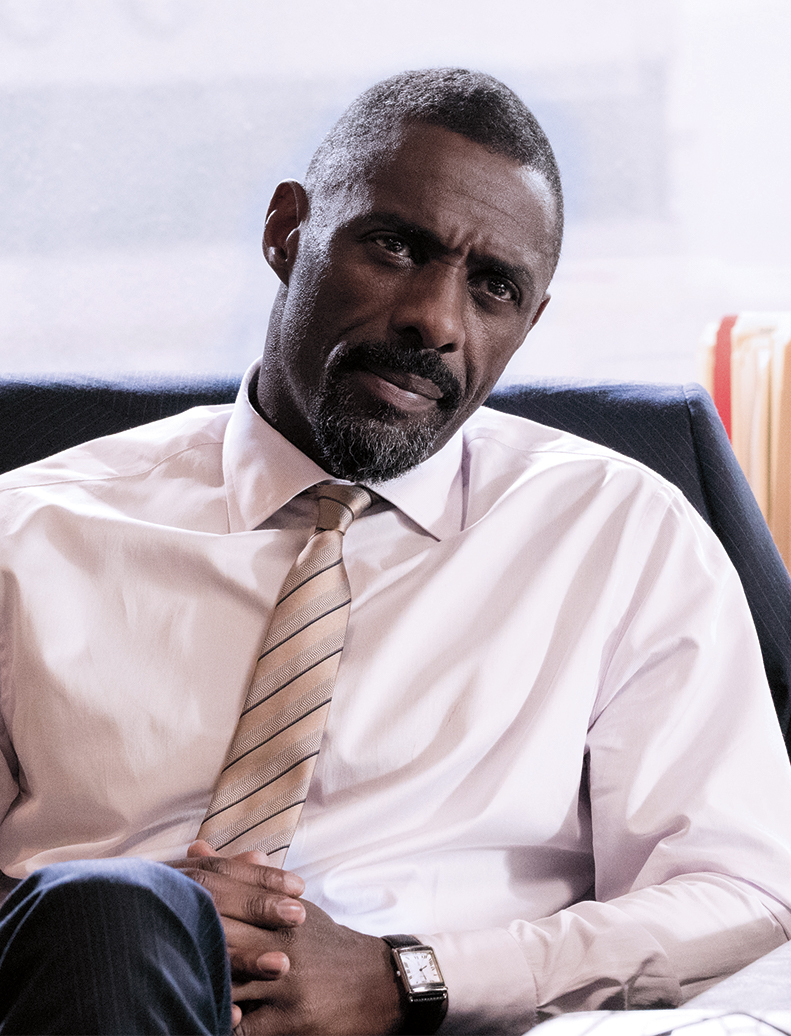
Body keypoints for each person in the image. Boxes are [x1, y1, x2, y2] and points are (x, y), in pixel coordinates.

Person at [1, 67, 791, 1036]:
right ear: (286, 232)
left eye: (493, 287)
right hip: (94, 1000)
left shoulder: (619, 534)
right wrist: (142, 923)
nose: (435, 320)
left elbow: (740, 898)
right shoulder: (27, 536)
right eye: (394, 247)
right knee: (114, 911)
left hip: (446, 1025)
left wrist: (411, 975)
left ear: (529, 324)